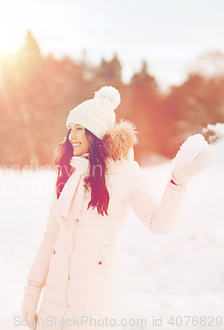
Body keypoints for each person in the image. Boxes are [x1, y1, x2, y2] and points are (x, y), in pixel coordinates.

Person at [21, 86, 215, 330]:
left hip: (93, 300)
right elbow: (51, 236)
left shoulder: (125, 171)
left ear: (96, 132)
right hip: (54, 298)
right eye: (70, 128)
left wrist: (179, 180)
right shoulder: (68, 172)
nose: (72, 135)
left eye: (80, 128)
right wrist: (32, 292)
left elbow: (159, 224)